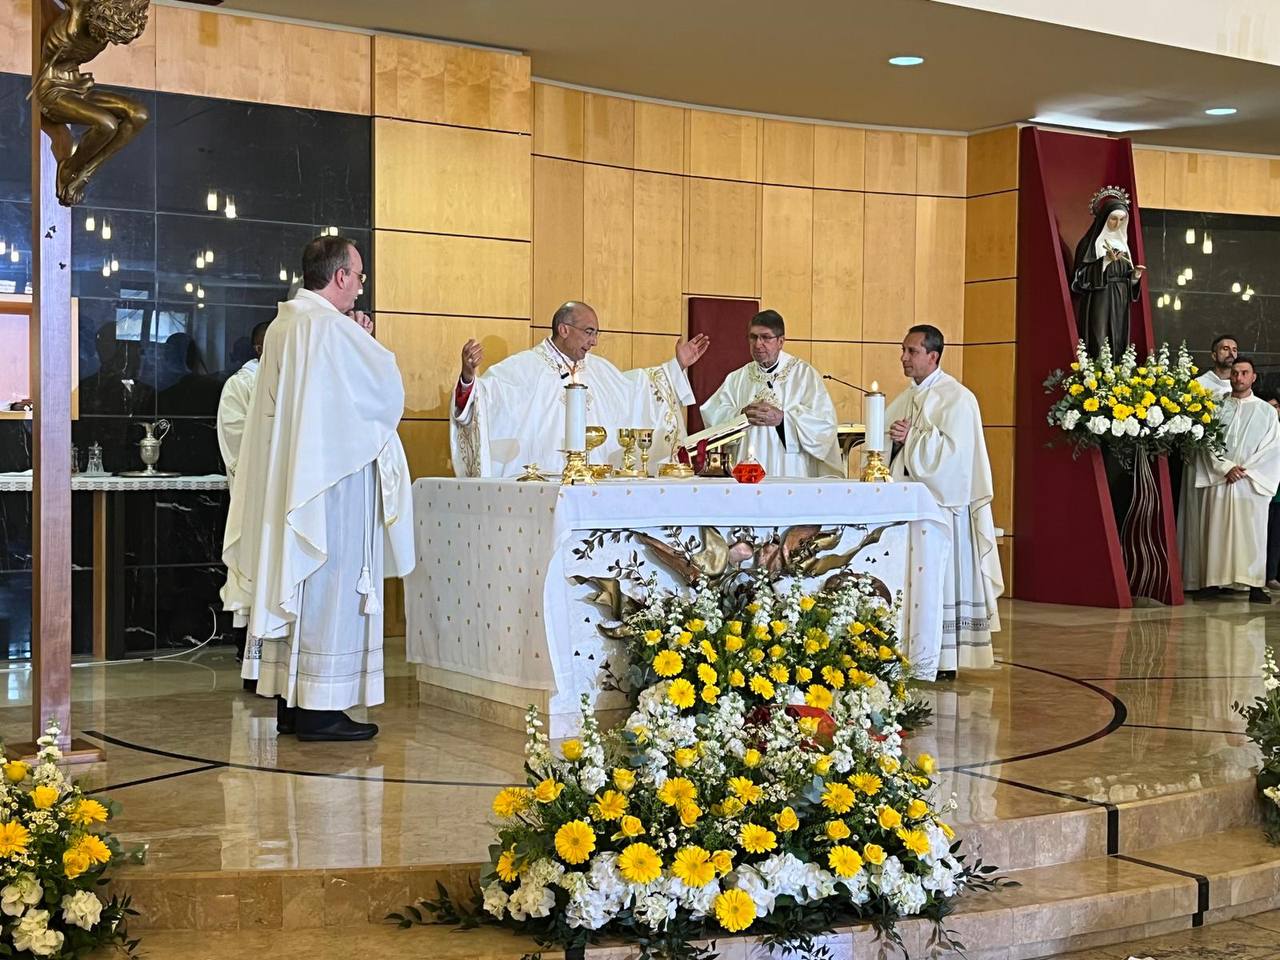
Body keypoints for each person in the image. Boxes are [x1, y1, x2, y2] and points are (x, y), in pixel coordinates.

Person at [222, 236, 415, 741]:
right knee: (329, 589)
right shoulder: (328, 328)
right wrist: (364, 340)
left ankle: (292, 701)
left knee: (301, 589)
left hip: (295, 483)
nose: (361, 287)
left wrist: (357, 339)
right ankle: (320, 708)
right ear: (340, 276)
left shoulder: (286, 324)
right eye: (359, 276)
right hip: (331, 490)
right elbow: (383, 394)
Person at [451, 301, 709, 477]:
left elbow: (637, 391)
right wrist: (468, 377)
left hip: (594, 487)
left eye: (596, 333)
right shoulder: (523, 368)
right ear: (564, 329)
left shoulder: (599, 370)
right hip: (544, 489)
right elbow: (485, 399)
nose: (594, 341)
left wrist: (676, 367)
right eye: (588, 332)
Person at [884, 325, 1003, 680]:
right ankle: (911, 652)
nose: (904, 358)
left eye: (912, 351)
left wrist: (912, 439)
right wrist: (894, 442)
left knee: (941, 583)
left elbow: (954, 462)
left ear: (933, 356)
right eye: (903, 350)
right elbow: (887, 449)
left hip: (944, 513)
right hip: (910, 509)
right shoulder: (904, 399)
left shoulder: (958, 399)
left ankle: (944, 659)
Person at [699, 310, 842, 478]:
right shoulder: (738, 378)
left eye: (766, 337)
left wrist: (783, 420)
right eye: (753, 337)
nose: (758, 344)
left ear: (781, 341)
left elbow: (825, 424)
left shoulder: (803, 375)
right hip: (746, 469)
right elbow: (713, 416)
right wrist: (740, 415)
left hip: (790, 468)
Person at [1183, 358, 1280, 604]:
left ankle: (1254, 584)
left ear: (1253, 377)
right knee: (1215, 531)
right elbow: (1205, 441)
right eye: (1235, 373)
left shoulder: (1266, 411)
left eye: (1244, 373)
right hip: (1220, 479)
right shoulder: (1215, 407)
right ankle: (1212, 581)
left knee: (1252, 533)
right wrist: (1225, 467)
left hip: (1250, 482)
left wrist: (1245, 470)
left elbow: (1272, 447)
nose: (1239, 377)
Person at [1177, 333, 1238, 588]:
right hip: (1202, 460)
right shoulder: (1200, 384)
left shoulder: (1241, 386)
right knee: (1200, 515)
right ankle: (1198, 577)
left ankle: (1227, 578)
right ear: (1214, 355)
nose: (1230, 353)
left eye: (1234, 349)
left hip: (1233, 462)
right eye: (1224, 349)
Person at [1071, 188, 1145, 362]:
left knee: (1119, 335)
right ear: (1104, 218)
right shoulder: (1090, 243)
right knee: (1100, 334)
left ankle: (1118, 371)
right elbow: (1080, 277)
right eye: (1113, 218)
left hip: (1121, 298)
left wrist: (1135, 276)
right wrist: (1105, 261)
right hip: (1100, 297)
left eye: (1122, 219)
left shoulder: (1123, 243)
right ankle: (1098, 369)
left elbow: (1127, 278)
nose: (1117, 223)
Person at [217, 321, 270, 483]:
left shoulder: (293, 380)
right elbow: (234, 430)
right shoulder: (240, 383)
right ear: (259, 349)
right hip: (257, 473)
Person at [1266, 394, 1280, 592]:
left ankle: (1271, 575)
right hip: (1262, 491)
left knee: (1276, 538)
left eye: (1276, 406)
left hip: (1278, 495)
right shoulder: (1263, 430)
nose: (1273, 410)